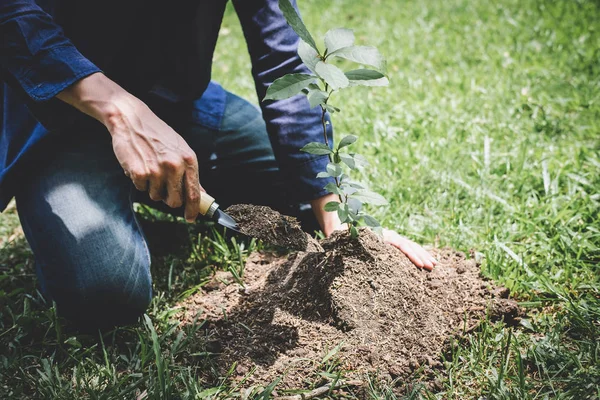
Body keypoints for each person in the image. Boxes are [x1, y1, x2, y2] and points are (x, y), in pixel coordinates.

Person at [0, 0, 436, 329]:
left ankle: (138, 187)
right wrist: (118, 111)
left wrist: (336, 217)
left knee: (296, 191)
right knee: (105, 293)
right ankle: (64, 202)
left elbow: (281, 52)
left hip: (173, 103)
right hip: (58, 115)